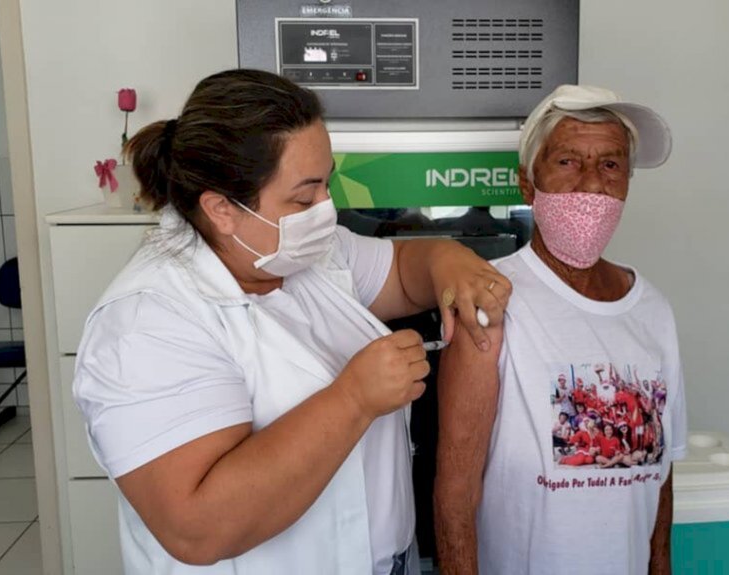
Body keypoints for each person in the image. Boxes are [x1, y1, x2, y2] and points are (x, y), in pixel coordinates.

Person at [72, 69, 511, 575]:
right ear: (221, 208)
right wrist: (353, 399)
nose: (325, 209)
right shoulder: (146, 323)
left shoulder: (299, 253)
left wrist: (449, 262)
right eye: (303, 198)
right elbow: (196, 527)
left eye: (326, 183)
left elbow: (404, 272)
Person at [433, 84, 687, 574]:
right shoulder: (491, 297)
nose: (592, 184)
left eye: (611, 164)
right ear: (529, 185)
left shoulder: (653, 309)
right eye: (569, 161)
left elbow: (663, 471)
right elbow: (456, 488)